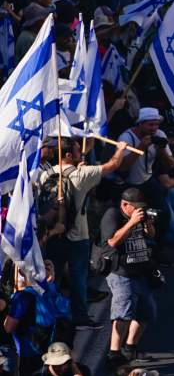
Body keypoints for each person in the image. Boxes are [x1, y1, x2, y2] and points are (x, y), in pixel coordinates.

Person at [41, 138, 129, 327]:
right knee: (78, 277)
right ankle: (79, 316)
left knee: (51, 276)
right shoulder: (83, 174)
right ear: (69, 155)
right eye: (77, 151)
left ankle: (50, 315)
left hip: (53, 234)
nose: (81, 153)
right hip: (78, 236)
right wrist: (120, 149)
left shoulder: (44, 175)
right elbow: (112, 165)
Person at [99, 187, 161, 365]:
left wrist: (148, 223)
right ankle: (114, 353)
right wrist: (131, 223)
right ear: (124, 205)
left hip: (141, 269)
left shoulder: (140, 216)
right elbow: (111, 242)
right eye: (136, 207)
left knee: (146, 312)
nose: (139, 210)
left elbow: (152, 236)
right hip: (121, 272)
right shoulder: (113, 216)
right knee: (122, 314)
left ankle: (130, 348)